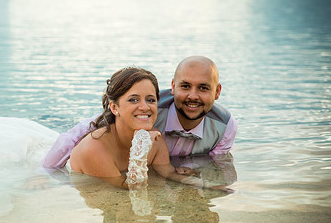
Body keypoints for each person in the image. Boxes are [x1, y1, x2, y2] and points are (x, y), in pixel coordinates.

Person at [42, 56, 237, 169]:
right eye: (185, 86)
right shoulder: (148, 109)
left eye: (203, 88)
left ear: (217, 91)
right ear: (173, 86)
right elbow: (83, 131)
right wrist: (46, 172)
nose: (192, 96)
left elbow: (214, 165)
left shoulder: (225, 126)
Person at [65, 66, 203, 189]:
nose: (144, 107)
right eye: (133, 100)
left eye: (150, 100)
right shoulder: (94, 149)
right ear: (114, 107)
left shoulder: (155, 136)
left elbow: (167, 173)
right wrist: (142, 148)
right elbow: (132, 188)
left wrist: (210, 184)